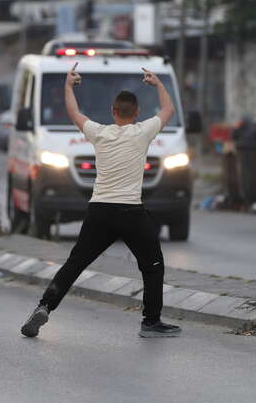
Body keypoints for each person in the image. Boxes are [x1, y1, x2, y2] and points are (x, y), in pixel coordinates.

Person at [20, 63, 182, 338]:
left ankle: (45, 305)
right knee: (153, 264)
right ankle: (151, 322)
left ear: (113, 113)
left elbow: (74, 113)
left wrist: (68, 85)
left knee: (75, 263)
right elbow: (168, 111)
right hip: (131, 212)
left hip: (99, 212)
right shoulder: (143, 131)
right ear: (137, 113)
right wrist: (158, 85)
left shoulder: (100, 132)